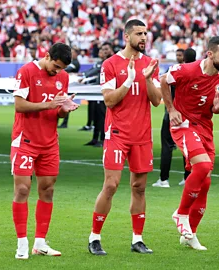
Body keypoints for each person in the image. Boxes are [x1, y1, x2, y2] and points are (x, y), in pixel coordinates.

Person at [87, 19, 162, 255]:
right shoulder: (110, 64)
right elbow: (109, 100)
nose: (143, 37)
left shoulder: (151, 63)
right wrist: (129, 80)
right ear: (126, 36)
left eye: (145, 33)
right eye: (139, 33)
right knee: (111, 184)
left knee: (139, 187)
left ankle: (137, 239)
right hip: (117, 133)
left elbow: (157, 100)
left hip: (141, 135)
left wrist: (148, 78)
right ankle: (94, 237)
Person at [160, 36, 219, 250]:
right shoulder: (188, 70)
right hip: (183, 123)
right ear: (210, 54)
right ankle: (180, 214)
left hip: (205, 126)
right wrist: (171, 109)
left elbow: (213, 105)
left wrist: (216, 108)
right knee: (202, 166)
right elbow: (164, 80)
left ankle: (189, 233)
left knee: (205, 182)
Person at [11, 43, 78, 259]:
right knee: (22, 190)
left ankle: (40, 243)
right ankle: (22, 243)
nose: (57, 72)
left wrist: (63, 110)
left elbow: (57, 111)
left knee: (47, 190)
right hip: (25, 140)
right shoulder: (26, 71)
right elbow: (19, 105)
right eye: (55, 66)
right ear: (46, 55)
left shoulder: (63, 77)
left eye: (61, 69)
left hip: (49, 143)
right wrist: (48, 105)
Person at [152, 48, 191, 188]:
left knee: (167, 146)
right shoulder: (197, 72)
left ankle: (163, 179)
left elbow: (163, 82)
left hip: (172, 113)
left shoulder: (175, 70)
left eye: (180, 55)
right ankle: (187, 178)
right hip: (188, 115)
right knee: (187, 147)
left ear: (184, 57)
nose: (178, 57)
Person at [83, 42, 115, 147]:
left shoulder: (112, 62)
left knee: (102, 115)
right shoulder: (103, 62)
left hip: (106, 92)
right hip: (98, 90)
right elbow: (95, 72)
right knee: (97, 115)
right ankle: (95, 138)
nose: (104, 51)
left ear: (110, 50)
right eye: (102, 49)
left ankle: (103, 139)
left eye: (106, 49)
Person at [58, 48, 81, 129]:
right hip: (67, 83)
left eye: (73, 52)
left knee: (66, 102)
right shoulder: (72, 62)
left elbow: (68, 69)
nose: (71, 54)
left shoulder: (75, 62)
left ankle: (65, 122)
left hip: (70, 84)